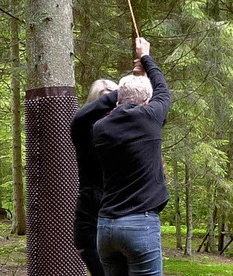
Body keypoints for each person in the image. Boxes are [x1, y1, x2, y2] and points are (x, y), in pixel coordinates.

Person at [74, 37, 171, 275]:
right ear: (144, 103)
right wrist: (146, 61)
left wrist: (124, 92)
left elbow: (84, 117)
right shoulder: (146, 121)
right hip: (125, 223)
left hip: (106, 224)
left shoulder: (99, 129)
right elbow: (162, 92)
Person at [71, 79, 118, 276]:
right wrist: (124, 91)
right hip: (91, 217)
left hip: (118, 216)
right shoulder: (83, 130)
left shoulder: (123, 132)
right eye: (103, 103)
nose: (109, 109)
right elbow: (81, 118)